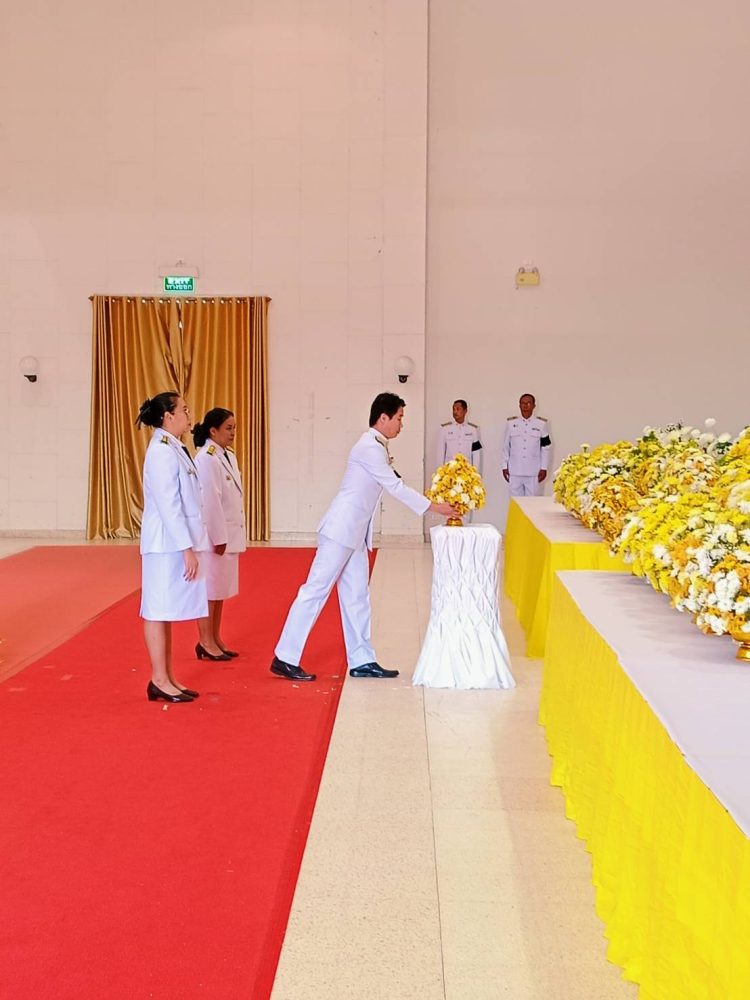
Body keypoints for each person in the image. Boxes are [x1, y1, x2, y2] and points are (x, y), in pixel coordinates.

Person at [270, 392, 460, 683]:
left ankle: (362, 660)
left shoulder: (376, 446)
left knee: (357, 597)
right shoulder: (369, 447)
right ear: (383, 418)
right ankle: (285, 657)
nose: (401, 424)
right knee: (315, 591)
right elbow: (395, 487)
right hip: (340, 531)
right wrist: (436, 507)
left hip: (355, 535)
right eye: (399, 418)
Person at [137, 392, 209, 703]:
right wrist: (186, 548)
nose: (189, 416)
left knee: (164, 610)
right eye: (184, 410)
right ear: (168, 416)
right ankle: (158, 678)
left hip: (173, 541)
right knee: (157, 609)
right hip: (164, 543)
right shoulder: (161, 452)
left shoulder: (173, 447)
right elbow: (169, 505)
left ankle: (167, 677)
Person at [193, 408, 246, 661]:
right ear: (213, 431)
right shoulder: (207, 458)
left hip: (229, 532)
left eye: (234, 428)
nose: (233, 432)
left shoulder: (227, 455)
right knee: (210, 592)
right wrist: (218, 537)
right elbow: (210, 501)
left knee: (220, 590)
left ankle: (215, 637)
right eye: (228, 428)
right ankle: (205, 640)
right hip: (214, 535)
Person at [501, 393, 551, 497]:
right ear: (519, 405)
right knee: (515, 502)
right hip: (515, 470)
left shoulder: (541, 424)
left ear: (534, 406)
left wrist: (544, 468)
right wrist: (504, 466)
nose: (525, 406)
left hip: (533, 471)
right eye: (523, 403)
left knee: (532, 502)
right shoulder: (511, 423)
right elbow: (506, 446)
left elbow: (546, 447)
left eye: (528, 403)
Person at [436, 399, 483, 471]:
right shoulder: (445, 429)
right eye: (453, 409)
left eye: (458, 409)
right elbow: (440, 453)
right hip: (450, 471)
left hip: (467, 471)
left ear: (465, 411)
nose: (455, 412)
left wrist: (475, 472)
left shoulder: (473, 430)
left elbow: (476, 453)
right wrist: (440, 472)